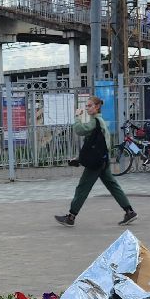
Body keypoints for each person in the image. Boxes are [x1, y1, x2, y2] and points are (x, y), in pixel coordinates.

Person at [55, 95, 135, 228]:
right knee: (113, 186)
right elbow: (91, 146)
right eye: (86, 106)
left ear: (97, 107)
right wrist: (80, 159)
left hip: (97, 163)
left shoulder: (95, 121)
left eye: (89, 105)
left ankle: (71, 217)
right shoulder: (99, 121)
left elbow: (79, 130)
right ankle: (129, 211)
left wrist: (77, 117)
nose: (87, 108)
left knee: (82, 188)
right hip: (103, 160)